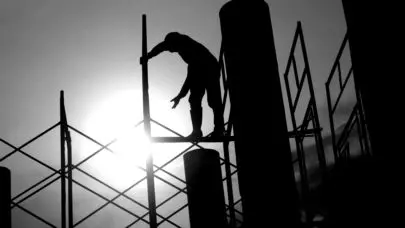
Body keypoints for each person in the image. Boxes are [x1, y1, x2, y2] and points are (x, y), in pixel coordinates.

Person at [140, 32, 225, 139]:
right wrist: (148, 56)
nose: (171, 51)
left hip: (210, 68)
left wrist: (180, 95)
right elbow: (161, 47)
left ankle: (219, 129)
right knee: (194, 100)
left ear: (175, 43)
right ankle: (197, 131)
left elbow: (190, 78)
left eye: (171, 48)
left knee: (213, 100)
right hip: (197, 69)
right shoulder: (177, 45)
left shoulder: (189, 47)